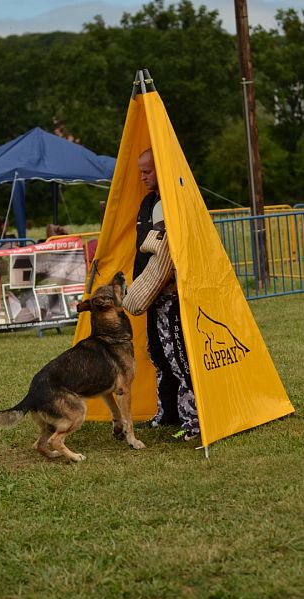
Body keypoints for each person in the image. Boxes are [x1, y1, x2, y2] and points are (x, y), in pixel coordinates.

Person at [131, 148, 200, 441]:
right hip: (152, 295)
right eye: (140, 171)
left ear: (161, 168)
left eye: (147, 171)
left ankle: (194, 421)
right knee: (159, 355)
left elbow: (167, 253)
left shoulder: (174, 201)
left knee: (179, 358)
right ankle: (168, 414)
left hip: (170, 295)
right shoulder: (149, 202)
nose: (143, 177)